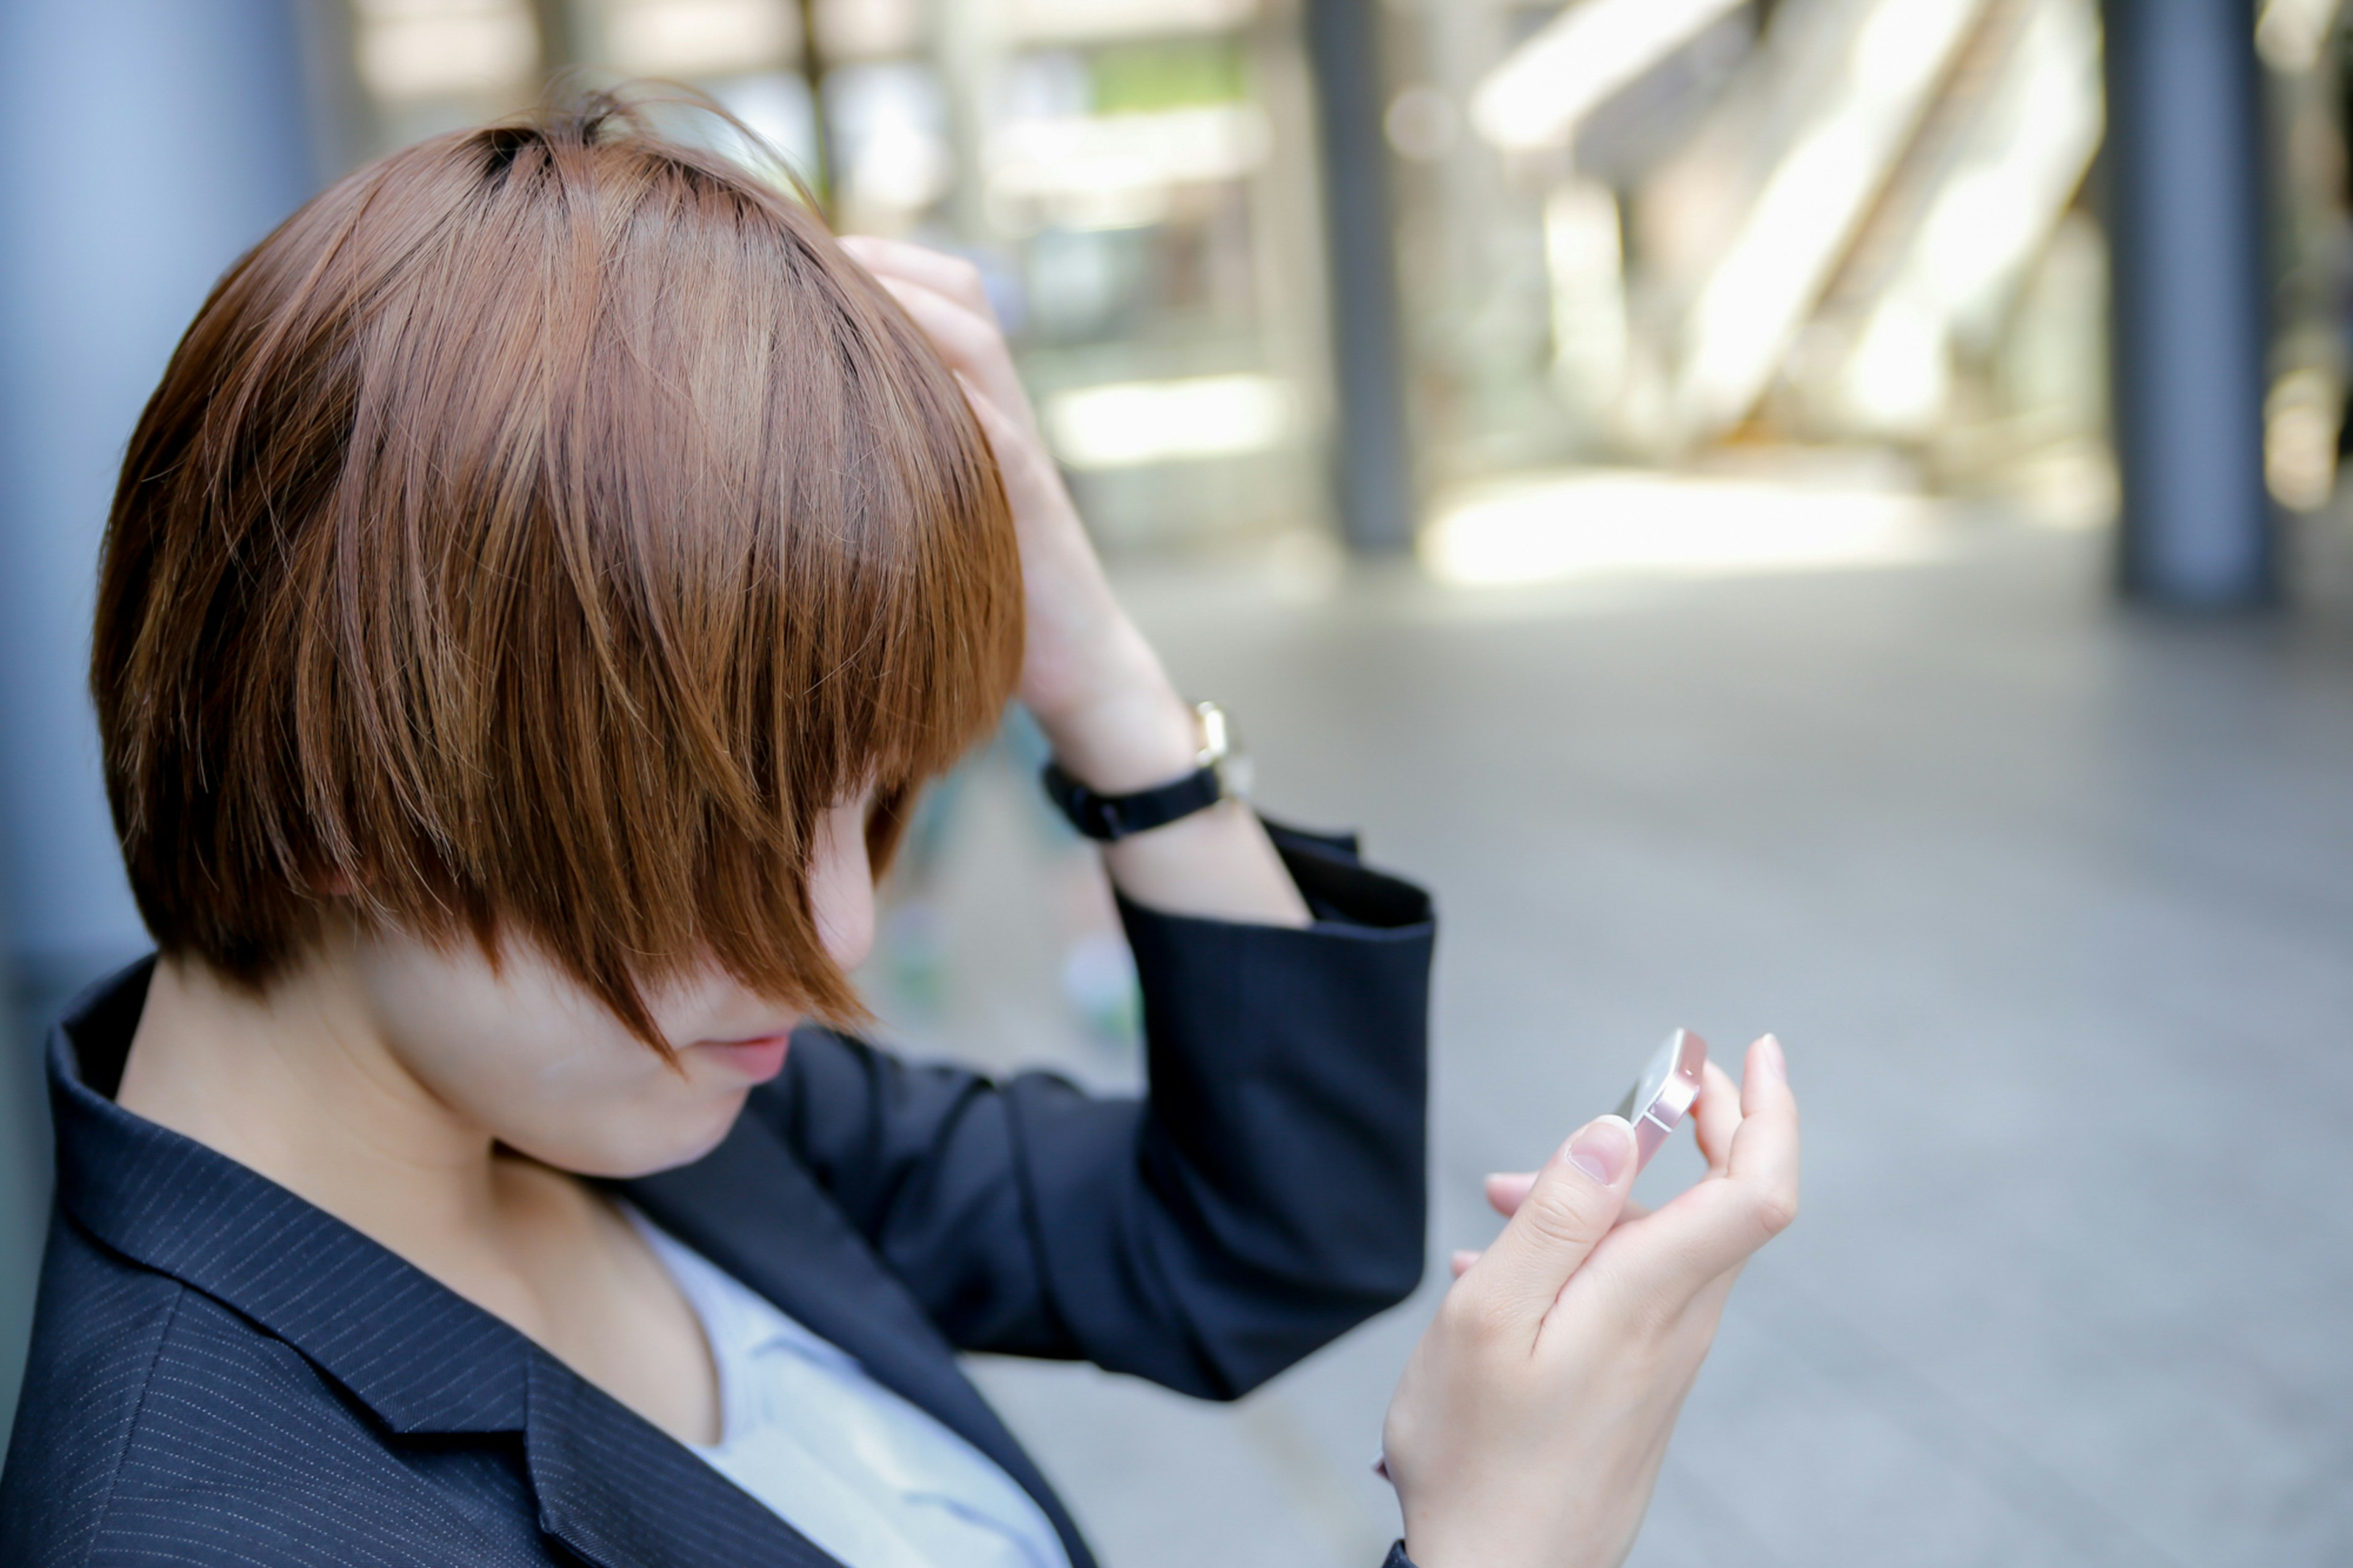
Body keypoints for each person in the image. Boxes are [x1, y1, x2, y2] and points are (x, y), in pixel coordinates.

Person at [0, 93, 1798, 1568]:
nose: (841, 935)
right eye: (726, 822)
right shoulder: (206, 1519)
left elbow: (1257, 1240)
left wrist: (1087, 659)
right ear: (341, 779)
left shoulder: (598, 1106)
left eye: (877, 807)